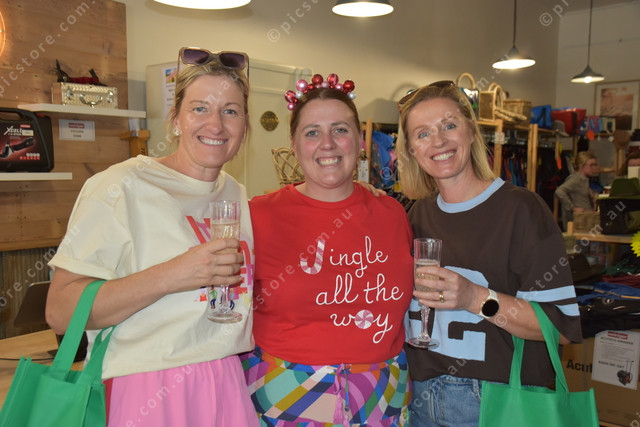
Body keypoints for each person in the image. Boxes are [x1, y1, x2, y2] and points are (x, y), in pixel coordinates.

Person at [45, 47, 259, 426]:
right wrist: (173, 274)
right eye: (199, 108)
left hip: (225, 378)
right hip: (147, 385)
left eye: (230, 111)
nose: (215, 124)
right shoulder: (121, 185)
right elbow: (61, 311)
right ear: (175, 119)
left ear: (244, 126)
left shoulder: (235, 192)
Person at [396, 81, 582, 426]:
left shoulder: (522, 210)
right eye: (423, 134)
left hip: (496, 401)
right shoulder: (416, 214)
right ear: (411, 150)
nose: (438, 141)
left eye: (449, 126)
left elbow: (560, 327)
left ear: (470, 132)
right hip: (419, 397)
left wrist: (475, 298)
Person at [241, 73, 414, 425]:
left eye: (340, 129)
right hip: (285, 397)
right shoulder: (256, 216)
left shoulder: (392, 214)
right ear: (294, 144)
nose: (328, 144)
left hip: (383, 398)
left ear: (360, 140)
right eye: (312, 132)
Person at [555, 151, 600, 230]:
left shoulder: (583, 180)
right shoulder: (576, 179)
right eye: (591, 165)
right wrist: (572, 207)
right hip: (578, 224)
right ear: (582, 165)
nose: (594, 168)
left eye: (595, 165)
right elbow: (559, 191)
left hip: (586, 221)